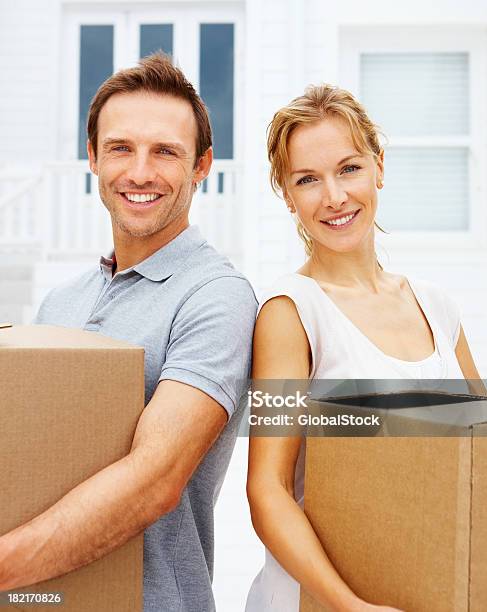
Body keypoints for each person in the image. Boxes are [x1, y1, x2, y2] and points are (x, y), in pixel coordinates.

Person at [0, 53, 257, 612]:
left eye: (166, 151)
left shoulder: (216, 296)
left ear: (202, 166)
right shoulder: (60, 302)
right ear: (92, 157)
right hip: (43, 599)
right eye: (120, 148)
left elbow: (152, 483)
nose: (140, 172)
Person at [245, 84, 483, 611]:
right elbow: (268, 492)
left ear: (379, 167)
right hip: (321, 602)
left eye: (348, 168)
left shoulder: (438, 309)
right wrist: (351, 607)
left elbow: (478, 461)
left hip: (426, 591)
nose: (333, 196)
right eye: (308, 179)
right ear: (286, 194)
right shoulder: (290, 313)